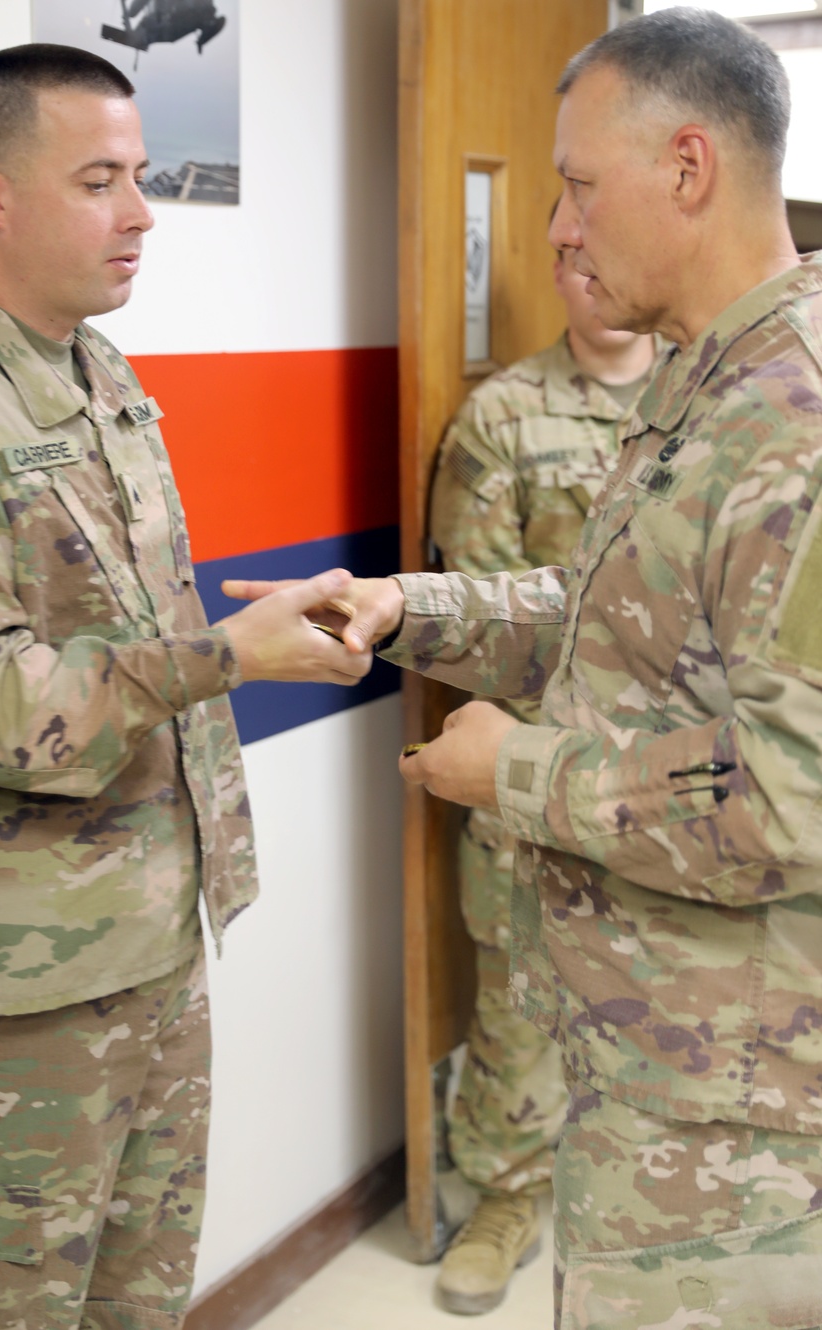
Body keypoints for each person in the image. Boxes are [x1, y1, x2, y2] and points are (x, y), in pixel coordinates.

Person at [227, 10, 822, 1327]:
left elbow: (795, 802)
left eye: (576, 182)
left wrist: (517, 769)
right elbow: (606, 607)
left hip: (748, 1125)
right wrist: (403, 605)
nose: (554, 225)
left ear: (687, 167)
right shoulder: (710, 389)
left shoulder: (801, 417)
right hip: (656, 1066)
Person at [0, 44, 367, 1330]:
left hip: (149, 938)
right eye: (98, 181)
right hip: (6, 994)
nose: (139, 215)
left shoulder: (93, 369)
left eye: (139, 176)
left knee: (139, 1304)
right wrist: (232, 657)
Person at [428, 241, 657, 1315]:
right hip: (532, 775)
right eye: (560, 253)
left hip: (670, 787)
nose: (584, 266)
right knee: (517, 1003)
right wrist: (541, 768)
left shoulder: (707, 398)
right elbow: (472, 622)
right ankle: (506, 1194)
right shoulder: (504, 417)